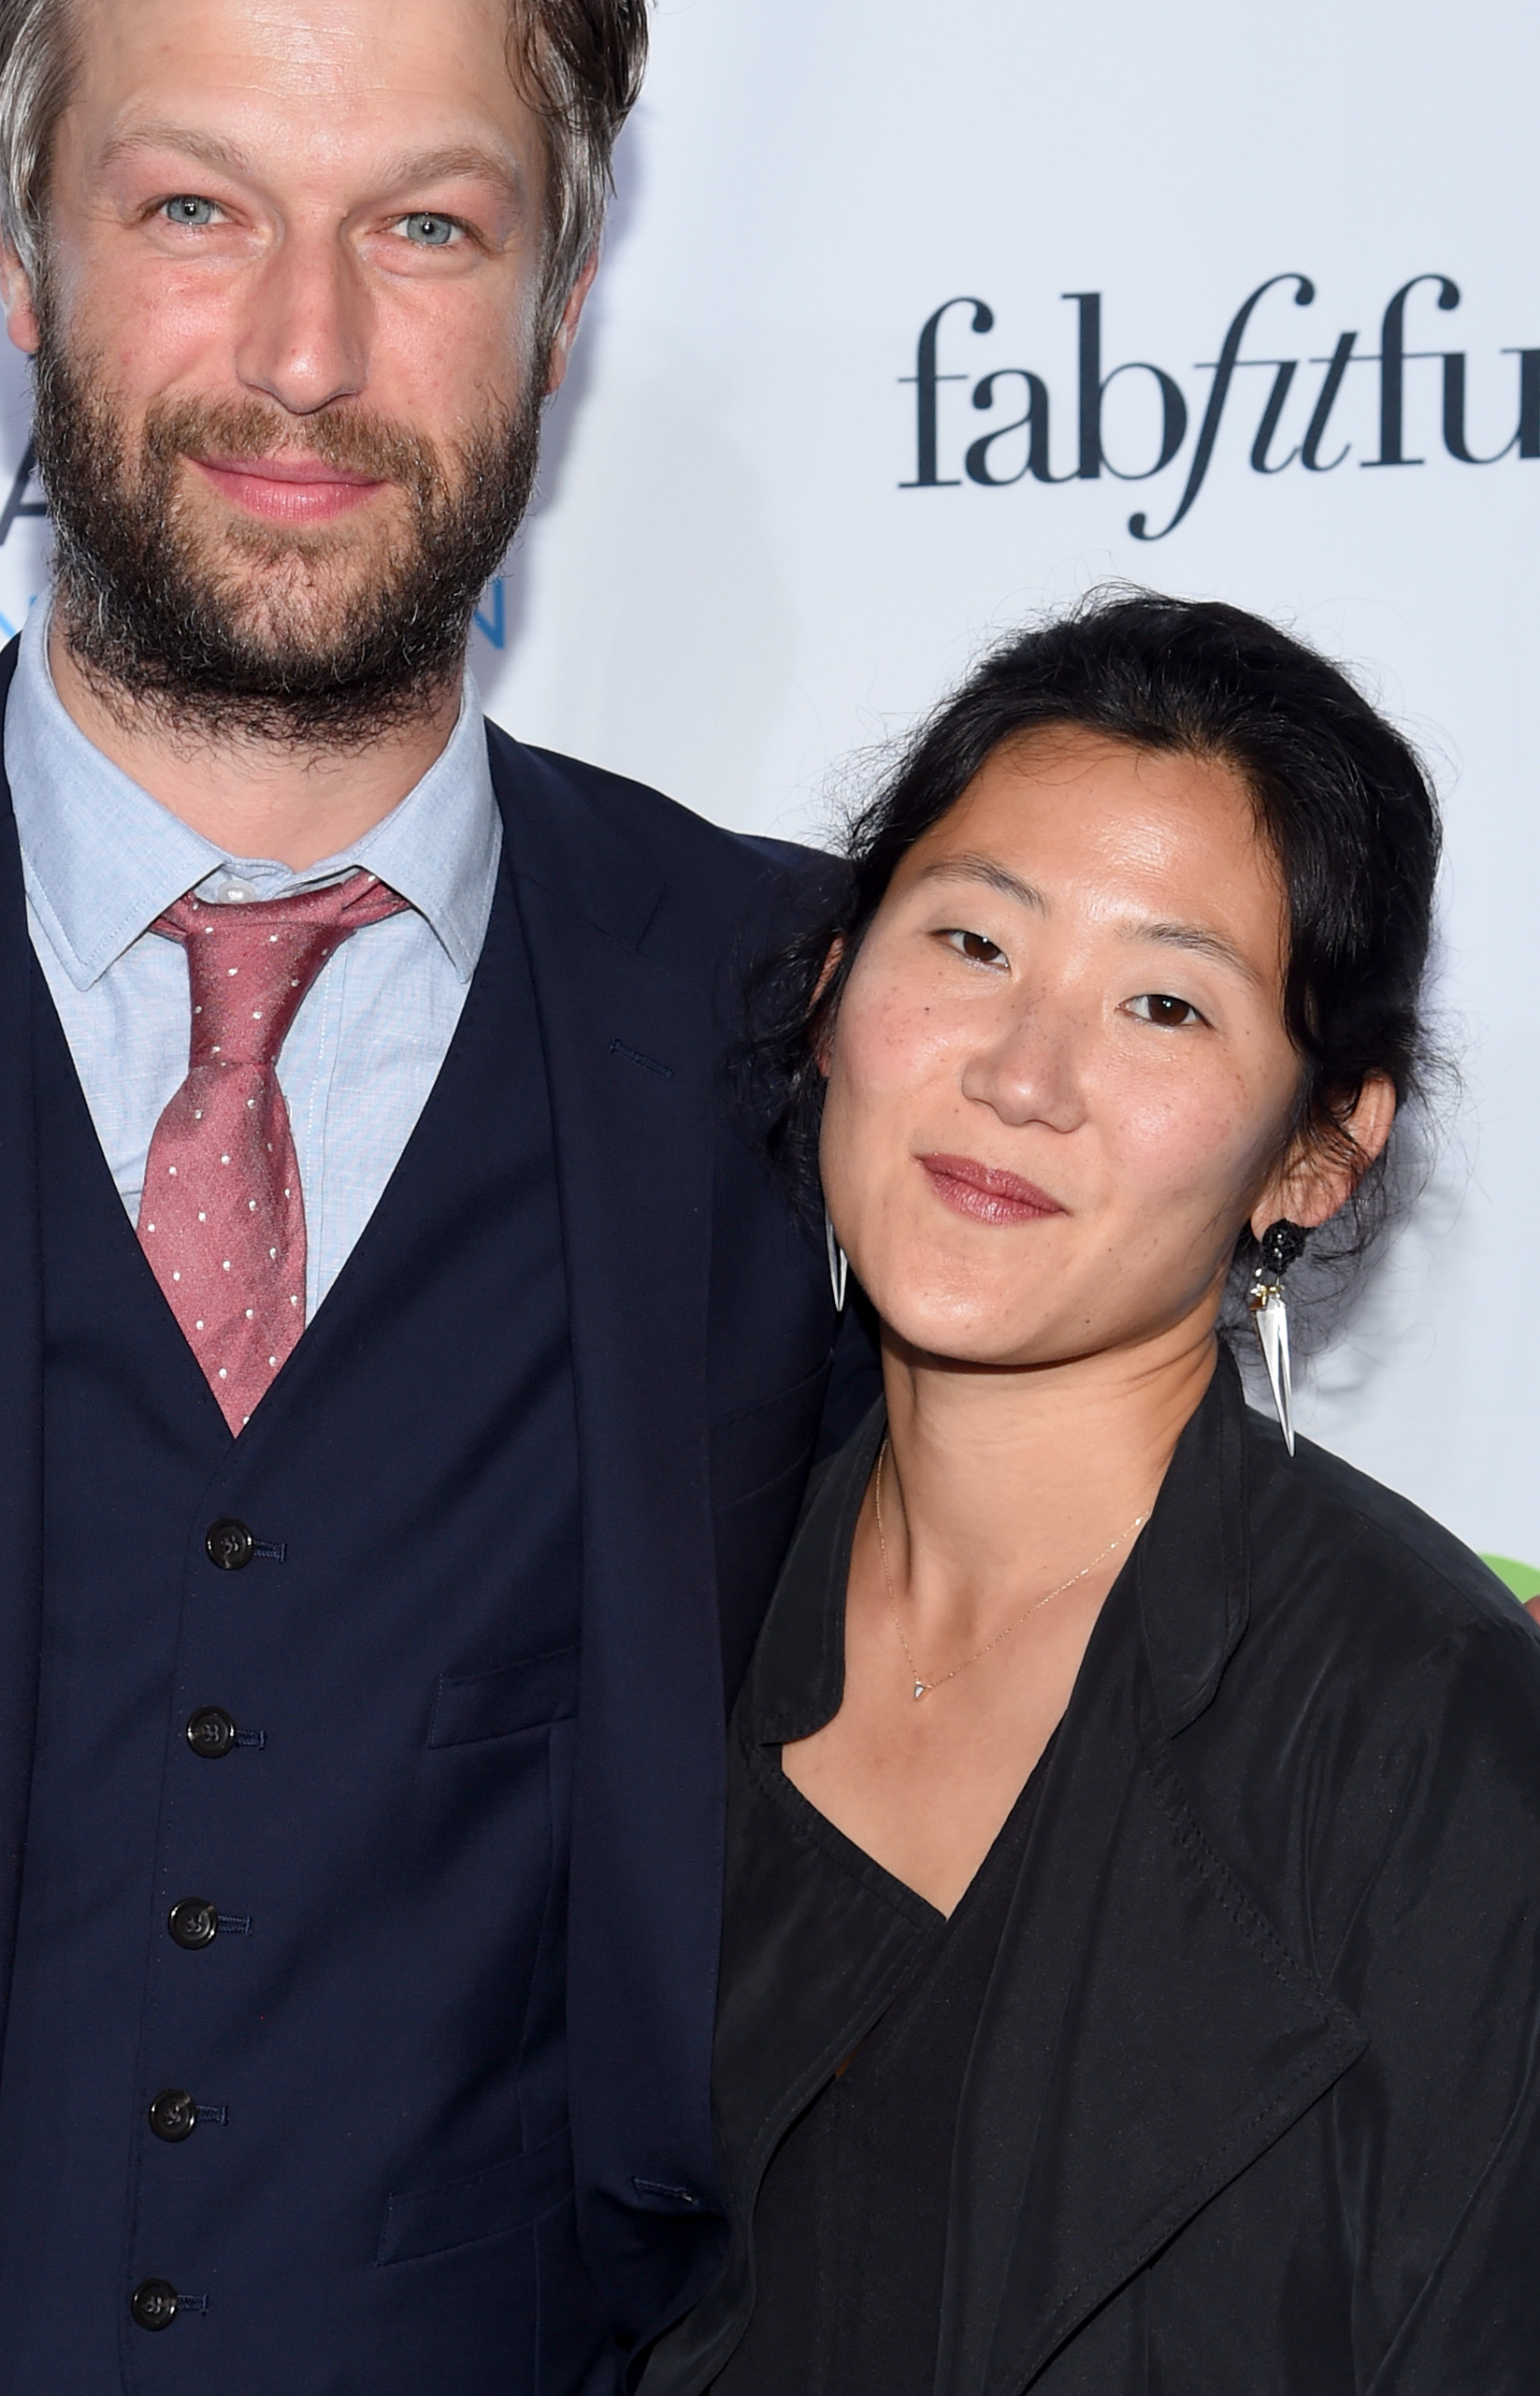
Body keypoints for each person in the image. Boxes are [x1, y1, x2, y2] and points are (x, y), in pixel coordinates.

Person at [0, 0, 875, 2395]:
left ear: (561, 302)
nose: (307, 353)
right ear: (22, 256)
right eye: (194, 207)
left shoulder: (814, 1030)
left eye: (427, 226)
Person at [641, 591, 1540, 2396]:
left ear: (1315, 1150)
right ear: (832, 992)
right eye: (973, 943)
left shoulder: (1437, 1746)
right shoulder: (656, 1590)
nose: (1021, 1076)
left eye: (1161, 1004)